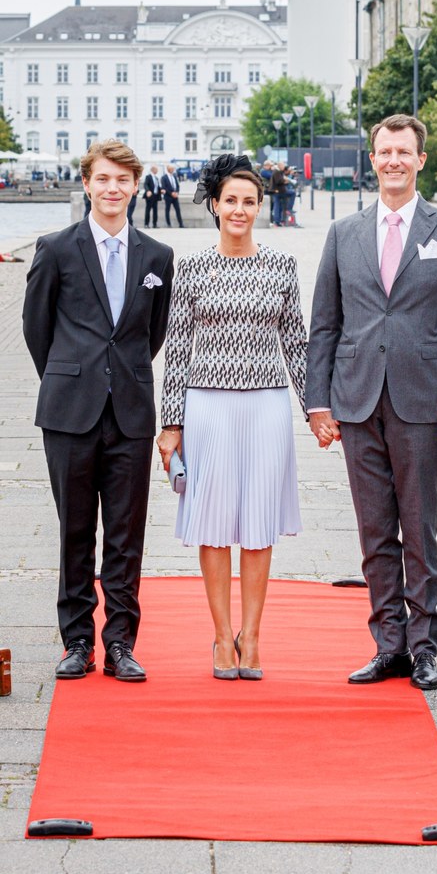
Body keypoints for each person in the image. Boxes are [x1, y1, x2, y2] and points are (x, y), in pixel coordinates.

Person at [305, 113, 437, 690]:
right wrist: (317, 402)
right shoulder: (344, 233)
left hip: (421, 403)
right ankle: (388, 645)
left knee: (419, 527)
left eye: (405, 152)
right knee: (375, 531)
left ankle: (424, 647)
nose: (394, 160)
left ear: (420, 159)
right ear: (372, 160)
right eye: (385, 152)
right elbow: (324, 325)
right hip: (355, 402)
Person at [22, 139, 174, 682]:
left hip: (131, 412)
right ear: (86, 183)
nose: (113, 189)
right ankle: (77, 640)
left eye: (122, 180)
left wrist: (120, 376)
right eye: (103, 179)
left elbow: (152, 334)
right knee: (74, 530)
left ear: (135, 186)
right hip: (69, 412)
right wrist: (72, 374)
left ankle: (120, 643)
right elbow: (37, 329)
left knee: (126, 534)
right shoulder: (56, 248)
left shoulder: (157, 256)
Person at [156, 154, 307, 680]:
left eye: (249, 201)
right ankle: (222, 637)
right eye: (231, 201)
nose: (239, 210)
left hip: (267, 405)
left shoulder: (282, 266)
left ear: (260, 207)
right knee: (215, 525)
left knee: (259, 526)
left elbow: (297, 345)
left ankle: (254, 636)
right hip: (208, 407)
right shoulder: (192, 268)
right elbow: (176, 350)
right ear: (214, 205)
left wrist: (316, 411)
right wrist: (171, 423)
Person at [270, 162, 288, 228]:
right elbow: (278, 181)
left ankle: (278, 221)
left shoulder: (278, 171)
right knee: (277, 206)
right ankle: (277, 221)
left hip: (279, 191)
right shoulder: (276, 171)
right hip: (277, 191)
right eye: (283, 166)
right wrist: (284, 180)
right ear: (280, 166)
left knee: (278, 206)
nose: (284, 167)